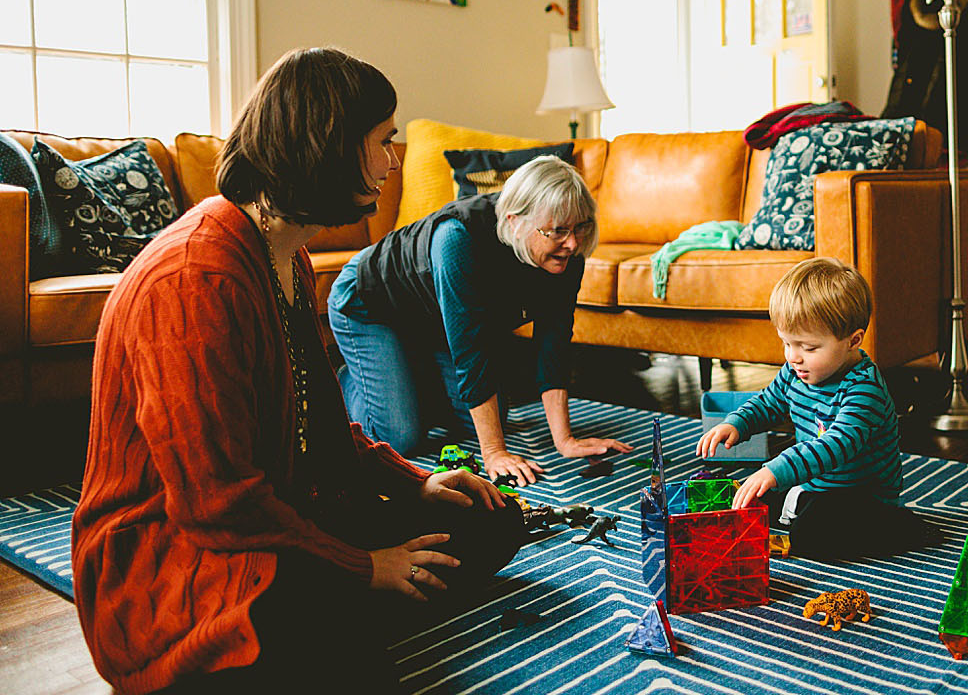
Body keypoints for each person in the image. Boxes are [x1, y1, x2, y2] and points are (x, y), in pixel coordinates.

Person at [71, 48, 524, 694]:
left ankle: (349, 599)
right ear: (330, 146)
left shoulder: (287, 256)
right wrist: (362, 566)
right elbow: (217, 504)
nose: (391, 160)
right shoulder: (194, 278)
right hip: (183, 556)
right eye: (382, 140)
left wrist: (414, 483)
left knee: (490, 518)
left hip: (280, 510)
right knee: (348, 661)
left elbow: (320, 424)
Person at [328, 154, 633, 486]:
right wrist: (494, 453)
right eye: (558, 231)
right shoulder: (457, 238)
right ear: (516, 221)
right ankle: (348, 379)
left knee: (490, 414)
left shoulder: (564, 251)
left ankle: (400, 373)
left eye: (580, 227)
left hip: (430, 318)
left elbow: (553, 341)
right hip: (367, 303)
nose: (572, 242)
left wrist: (565, 440)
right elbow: (470, 350)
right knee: (401, 436)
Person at [695, 258, 932, 558]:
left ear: (853, 341)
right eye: (787, 343)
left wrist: (775, 469)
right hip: (813, 486)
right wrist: (736, 424)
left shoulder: (864, 390)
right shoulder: (796, 370)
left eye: (808, 348)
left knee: (811, 533)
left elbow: (835, 446)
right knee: (749, 495)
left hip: (861, 499)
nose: (794, 357)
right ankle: (796, 506)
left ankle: (903, 528)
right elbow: (769, 402)